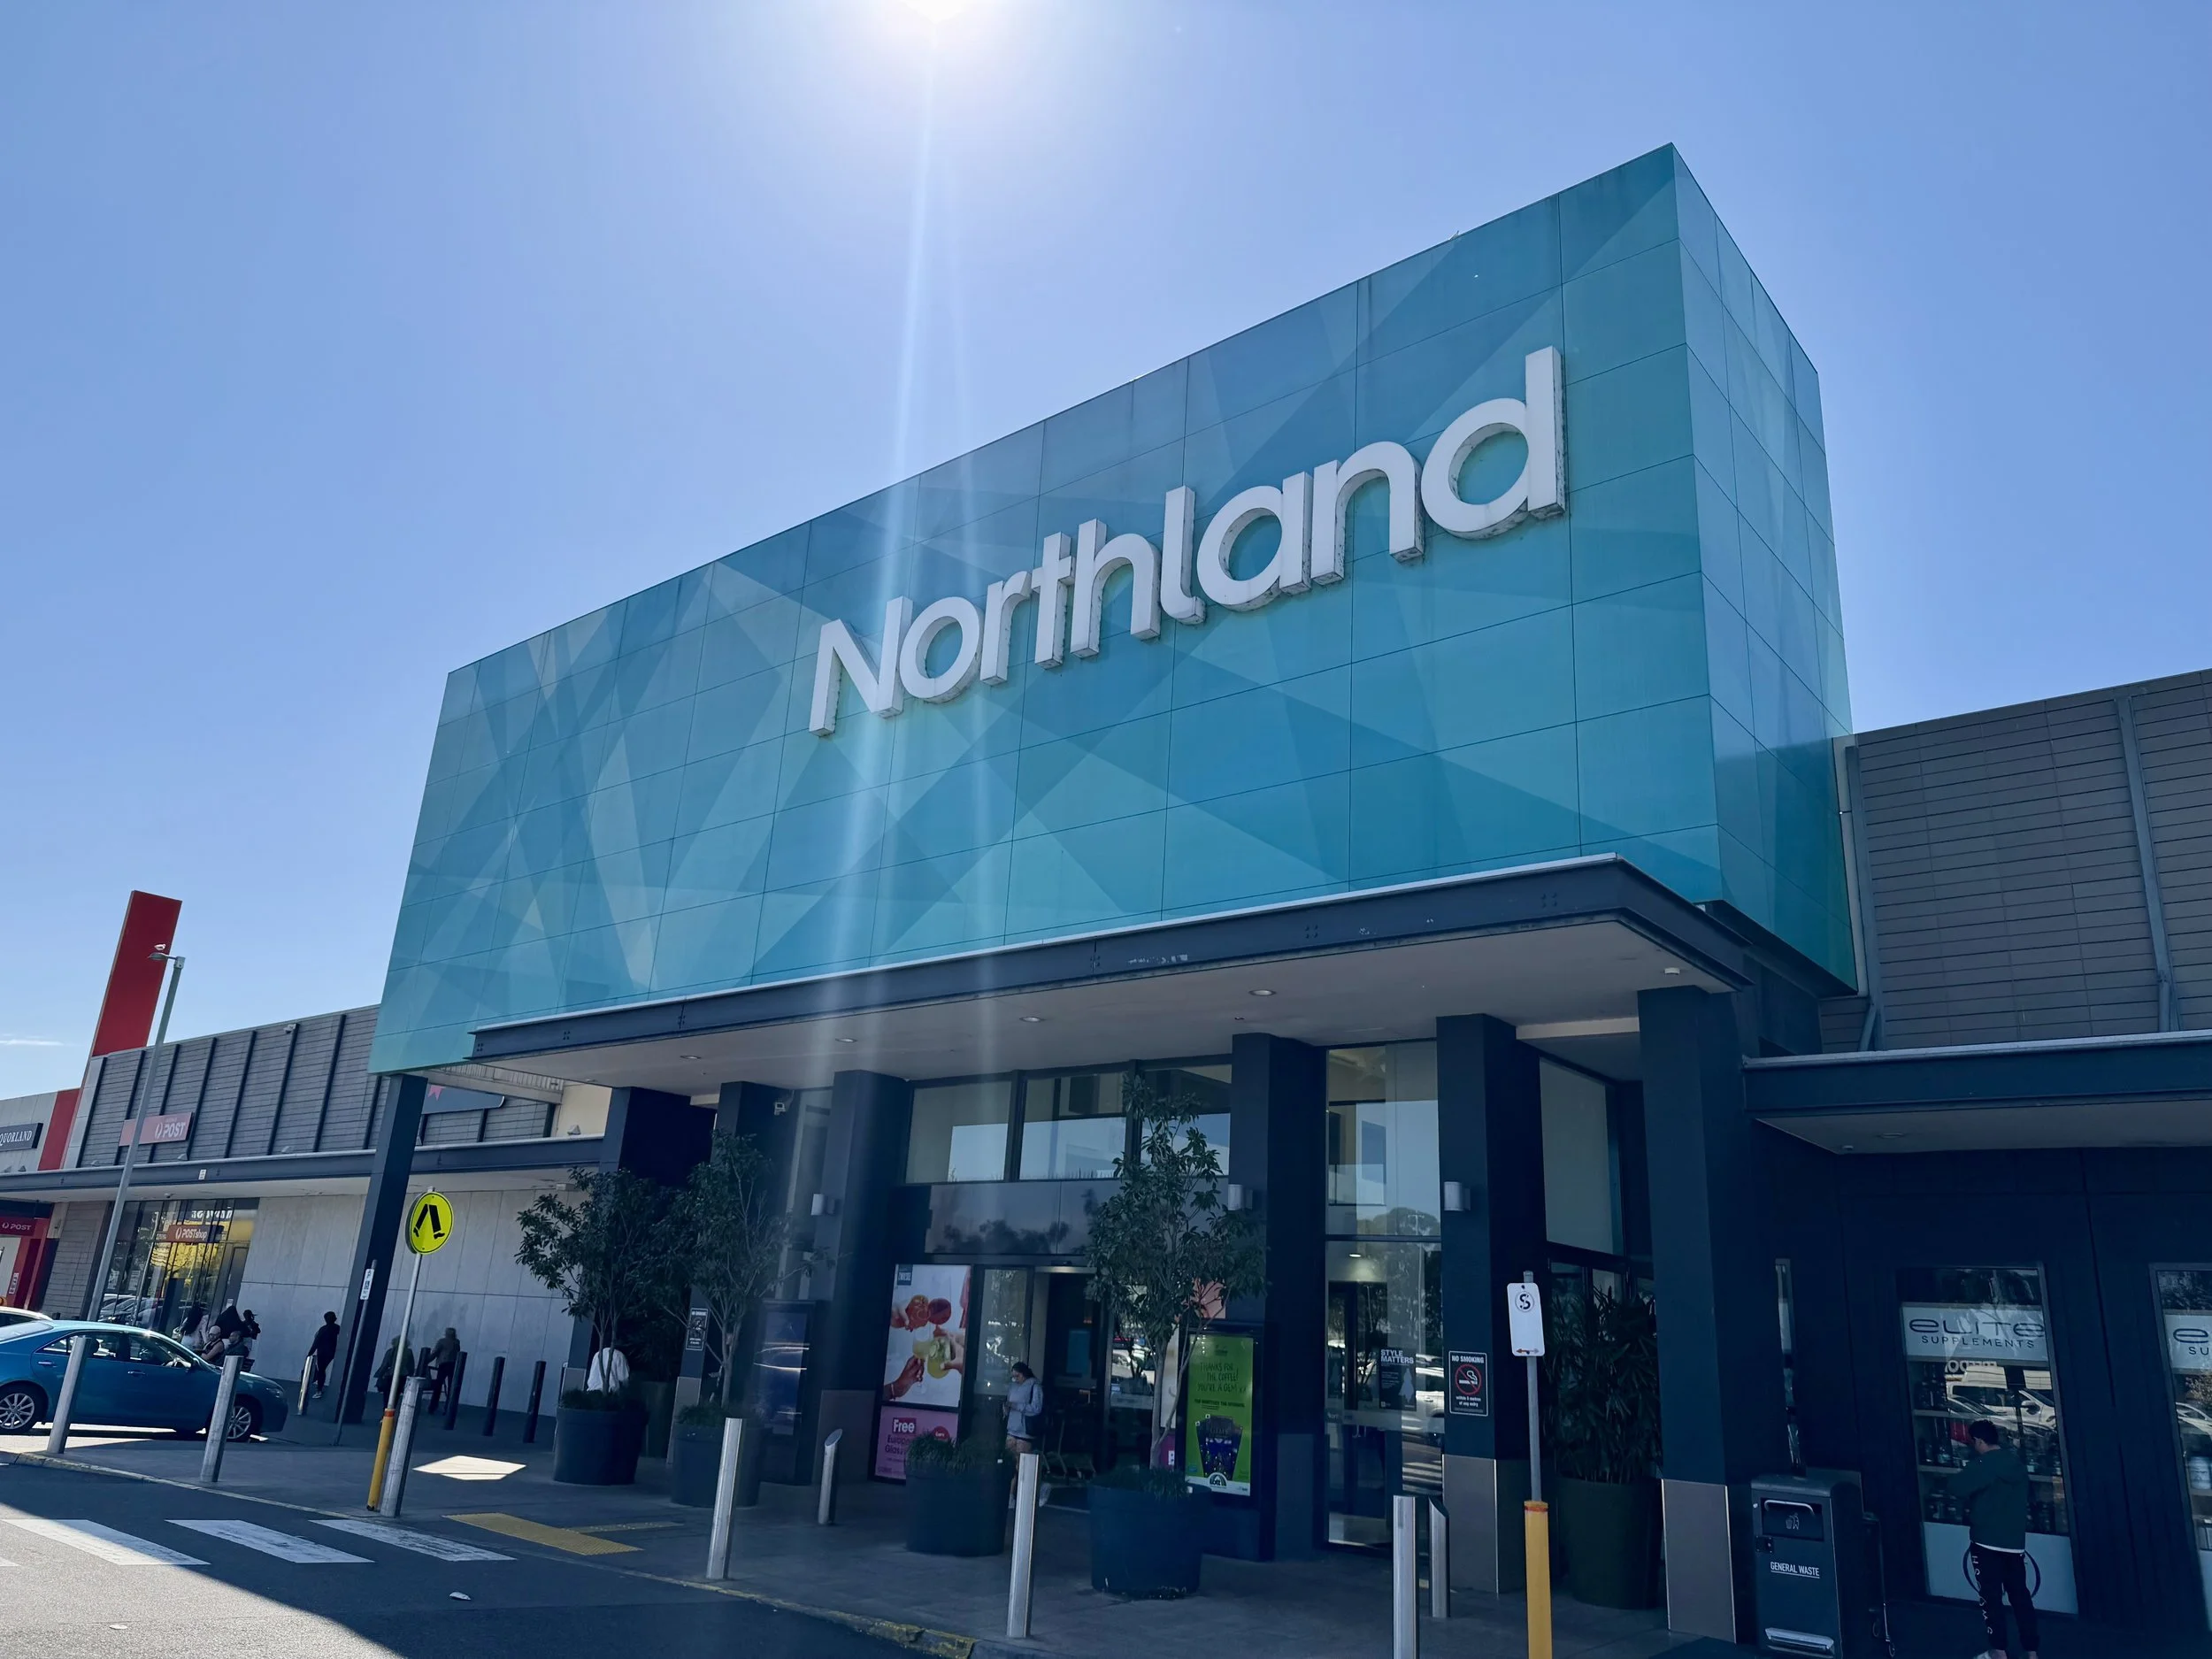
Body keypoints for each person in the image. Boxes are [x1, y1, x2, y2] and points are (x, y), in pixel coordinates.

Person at [1954, 1420, 2038, 1659]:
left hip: (1986, 1540)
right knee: (2020, 1596)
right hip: (2014, 1541)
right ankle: (2032, 1651)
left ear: (1979, 1441)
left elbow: (1956, 1487)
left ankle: (1998, 1651)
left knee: (1991, 1598)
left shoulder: (1983, 1465)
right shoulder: (2016, 1463)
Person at [1004, 1361, 1043, 1455]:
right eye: (1013, 1377)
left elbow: (1036, 1408)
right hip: (1012, 1429)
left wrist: (1017, 1406)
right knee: (1009, 1458)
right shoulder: (1013, 1387)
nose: (1015, 1379)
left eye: (1017, 1376)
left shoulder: (1035, 1386)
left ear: (1024, 1374)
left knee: (1022, 1460)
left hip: (1025, 1431)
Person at [304, 1312, 340, 1402]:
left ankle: (319, 1390)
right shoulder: (337, 1328)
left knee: (321, 1370)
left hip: (322, 1353)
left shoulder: (323, 1329)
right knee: (322, 1370)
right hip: (332, 1352)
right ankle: (319, 1389)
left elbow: (316, 1342)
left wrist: (310, 1353)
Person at [429, 1328, 461, 1410]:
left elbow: (435, 1353)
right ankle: (449, 1406)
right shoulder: (457, 1342)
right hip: (453, 1364)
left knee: (438, 1385)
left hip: (443, 1364)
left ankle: (433, 1406)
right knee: (451, 1386)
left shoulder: (442, 1341)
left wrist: (426, 1360)